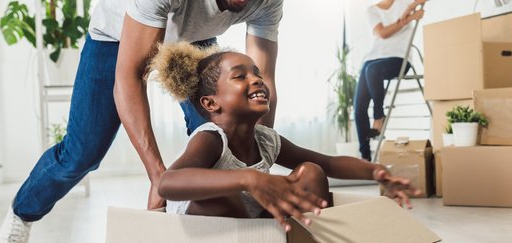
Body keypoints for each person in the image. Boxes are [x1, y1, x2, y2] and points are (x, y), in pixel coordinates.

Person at [0, 0, 282, 242]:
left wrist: (257, 160)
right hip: (118, 35)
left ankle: (214, 230)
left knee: (223, 133)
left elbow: (262, 83)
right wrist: (158, 176)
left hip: (195, 35)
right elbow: (129, 78)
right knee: (82, 154)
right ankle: (23, 213)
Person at [151, 43, 421, 232]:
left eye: (257, 74)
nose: (256, 80)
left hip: (253, 220)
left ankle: (296, 236)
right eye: (240, 76)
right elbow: (167, 183)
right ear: (211, 104)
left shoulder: (266, 140)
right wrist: (250, 178)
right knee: (225, 194)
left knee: (311, 173)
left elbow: (329, 164)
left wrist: (375, 171)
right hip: (204, 225)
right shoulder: (211, 138)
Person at [354, 0, 425, 161]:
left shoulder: (404, 2)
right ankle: (365, 157)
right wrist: (410, 17)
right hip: (373, 59)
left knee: (372, 70)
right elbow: (382, 33)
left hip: (399, 58)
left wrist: (410, 7)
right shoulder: (372, 10)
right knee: (358, 108)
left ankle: (379, 117)